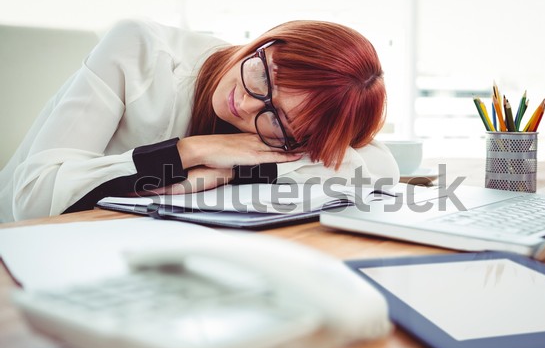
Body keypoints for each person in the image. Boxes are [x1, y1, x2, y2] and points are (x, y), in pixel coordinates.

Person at [0, 19, 399, 222]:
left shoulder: (282, 136)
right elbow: (33, 201)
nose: (245, 104)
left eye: (276, 118)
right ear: (268, 42)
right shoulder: (140, 49)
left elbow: (381, 168)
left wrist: (232, 172)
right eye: (265, 75)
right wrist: (191, 152)